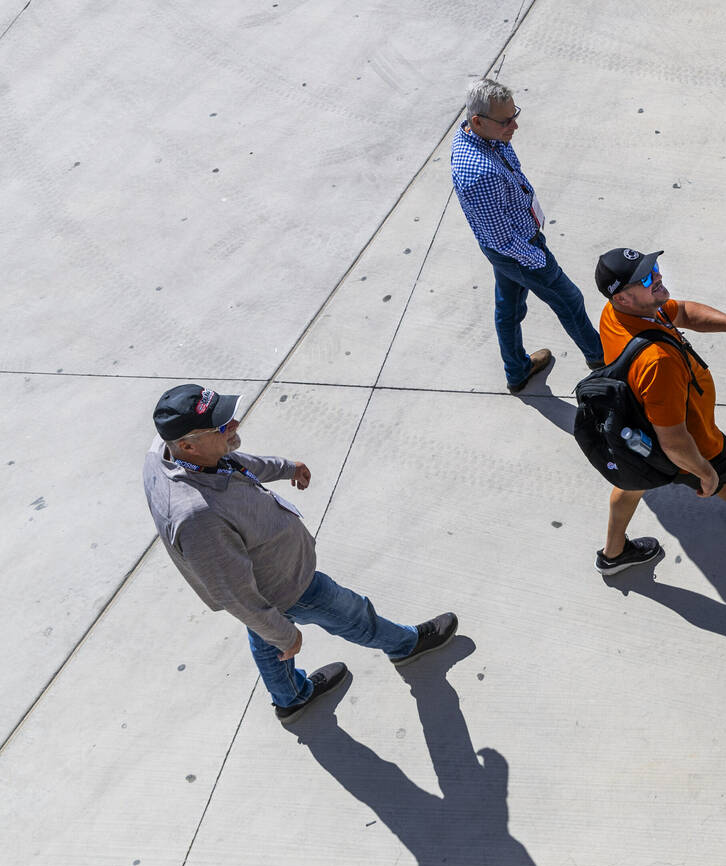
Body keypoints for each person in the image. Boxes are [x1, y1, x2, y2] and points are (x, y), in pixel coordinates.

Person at [143, 384, 458, 725]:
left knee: (264, 633)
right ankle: (405, 644)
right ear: (188, 445)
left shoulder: (170, 449)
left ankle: (291, 698)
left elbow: (228, 463)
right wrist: (286, 636)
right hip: (285, 585)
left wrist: (285, 467)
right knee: (352, 612)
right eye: (222, 426)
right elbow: (234, 594)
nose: (234, 424)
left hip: (267, 581)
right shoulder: (197, 516)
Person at [591, 247, 726, 575]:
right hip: (694, 440)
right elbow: (676, 442)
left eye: (655, 268)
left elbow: (682, 312)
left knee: (630, 481)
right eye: (647, 277)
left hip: (636, 430)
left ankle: (613, 554)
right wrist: (706, 472)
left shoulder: (619, 314)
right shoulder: (657, 362)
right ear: (622, 297)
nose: (659, 277)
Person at [450, 78, 605, 392]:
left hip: (512, 243)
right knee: (570, 299)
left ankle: (517, 371)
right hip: (519, 251)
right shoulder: (479, 173)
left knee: (508, 308)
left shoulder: (481, 134)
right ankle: (605, 363)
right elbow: (502, 240)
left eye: (514, 114)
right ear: (477, 121)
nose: (515, 126)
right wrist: (539, 258)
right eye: (506, 121)